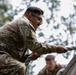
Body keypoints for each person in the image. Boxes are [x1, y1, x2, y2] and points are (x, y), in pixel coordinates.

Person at [0, 6, 67, 75]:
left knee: (18, 67)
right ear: (30, 16)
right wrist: (55, 48)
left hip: (3, 57)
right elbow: (34, 46)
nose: (39, 24)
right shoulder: (24, 23)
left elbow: (14, 57)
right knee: (20, 68)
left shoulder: (22, 29)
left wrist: (28, 57)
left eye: (41, 21)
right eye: (39, 19)